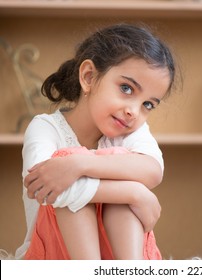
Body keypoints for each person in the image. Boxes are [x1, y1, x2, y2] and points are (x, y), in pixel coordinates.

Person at [15, 23, 177, 260]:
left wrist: (80, 165)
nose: (134, 111)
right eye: (126, 88)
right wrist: (134, 193)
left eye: (148, 104)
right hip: (52, 259)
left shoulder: (130, 131)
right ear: (89, 77)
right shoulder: (45, 128)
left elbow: (153, 170)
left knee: (105, 171)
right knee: (64, 164)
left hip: (116, 257)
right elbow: (47, 189)